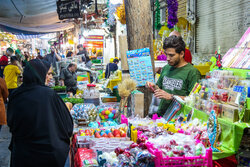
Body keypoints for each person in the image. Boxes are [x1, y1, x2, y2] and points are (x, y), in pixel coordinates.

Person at [7, 59, 73, 167]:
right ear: (39, 74)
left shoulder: (15, 95)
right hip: (46, 156)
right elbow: (67, 125)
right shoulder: (48, 95)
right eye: (49, 74)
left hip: (21, 155)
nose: (51, 77)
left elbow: (11, 123)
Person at [147, 36, 201, 117]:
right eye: (166, 54)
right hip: (161, 115)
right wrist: (153, 88)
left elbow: (194, 100)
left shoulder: (192, 72)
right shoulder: (166, 68)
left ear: (182, 54)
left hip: (179, 120)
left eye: (171, 55)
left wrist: (172, 97)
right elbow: (160, 90)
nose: (167, 58)